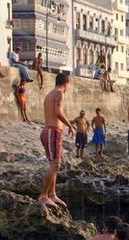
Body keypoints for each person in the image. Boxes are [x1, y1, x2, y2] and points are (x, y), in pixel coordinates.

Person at [39, 73, 74, 208]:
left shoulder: (50, 94)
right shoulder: (59, 93)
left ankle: (52, 194)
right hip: (52, 131)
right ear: (66, 83)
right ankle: (43, 196)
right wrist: (70, 125)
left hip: (49, 132)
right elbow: (58, 112)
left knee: (54, 165)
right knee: (55, 165)